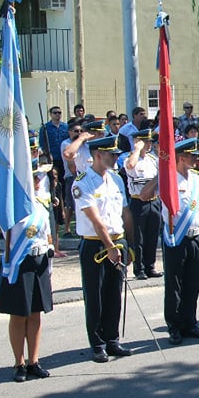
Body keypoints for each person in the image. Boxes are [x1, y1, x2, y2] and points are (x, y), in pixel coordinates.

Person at [0, 138, 55, 382]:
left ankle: (34, 361)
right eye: (34, 177)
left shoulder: (40, 203)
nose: (38, 180)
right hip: (19, 262)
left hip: (39, 261)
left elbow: (47, 232)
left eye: (39, 177)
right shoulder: (12, 205)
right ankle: (18, 363)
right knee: (19, 314)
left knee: (36, 313)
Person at [142, 138, 199, 345]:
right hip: (176, 237)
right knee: (174, 284)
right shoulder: (167, 180)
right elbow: (144, 195)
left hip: (195, 235)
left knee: (193, 282)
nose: (195, 159)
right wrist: (160, 175)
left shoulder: (197, 178)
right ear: (180, 157)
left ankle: (190, 323)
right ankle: (174, 326)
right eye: (191, 156)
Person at [72, 135, 134, 363]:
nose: (116, 157)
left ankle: (112, 339)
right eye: (112, 154)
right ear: (98, 155)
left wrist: (129, 244)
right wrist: (109, 246)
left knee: (114, 294)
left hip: (117, 241)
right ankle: (97, 344)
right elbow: (96, 219)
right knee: (95, 296)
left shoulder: (116, 179)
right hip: (95, 245)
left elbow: (125, 212)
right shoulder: (82, 181)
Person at [124, 128, 163, 280]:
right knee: (138, 237)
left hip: (154, 201)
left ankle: (150, 266)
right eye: (145, 141)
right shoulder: (130, 158)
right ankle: (139, 268)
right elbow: (130, 166)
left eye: (150, 142)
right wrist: (137, 149)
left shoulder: (153, 159)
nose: (149, 144)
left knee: (152, 236)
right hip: (138, 202)